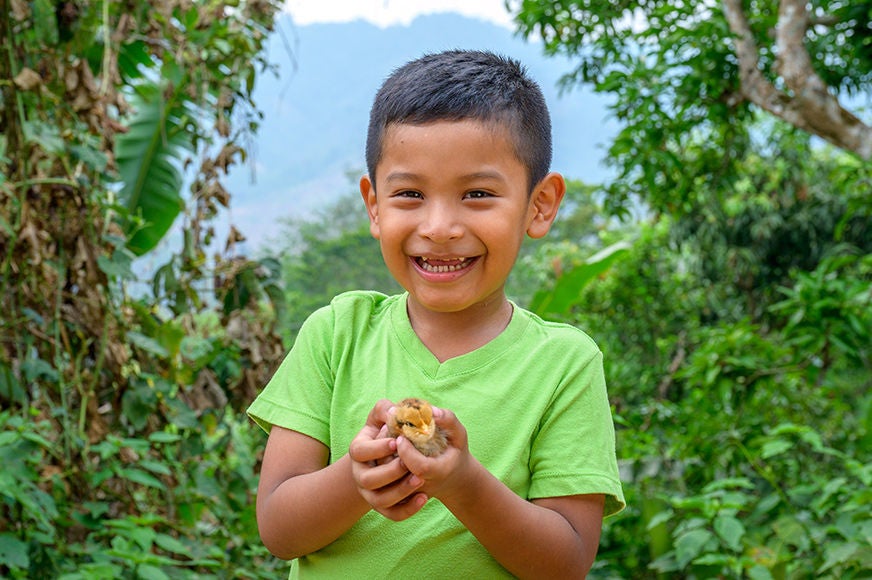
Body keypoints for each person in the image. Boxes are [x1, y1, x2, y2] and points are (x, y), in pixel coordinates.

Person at [247, 49, 625, 578]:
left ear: (539, 205)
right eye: (410, 194)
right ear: (374, 205)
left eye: (477, 193)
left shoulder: (564, 364)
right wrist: (358, 477)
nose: (440, 226)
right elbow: (279, 530)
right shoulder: (336, 335)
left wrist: (464, 483)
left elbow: (565, 563)